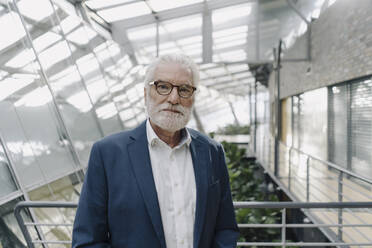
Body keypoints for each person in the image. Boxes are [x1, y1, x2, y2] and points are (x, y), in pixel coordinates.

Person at [72, 53, 239, 248]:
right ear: (146, 93)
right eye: (163, 87)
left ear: (193, 98)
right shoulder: (108, 154)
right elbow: (88, 240)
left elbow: (225, 228)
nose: (174, 98)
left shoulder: (211, 152)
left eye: (184, 89)